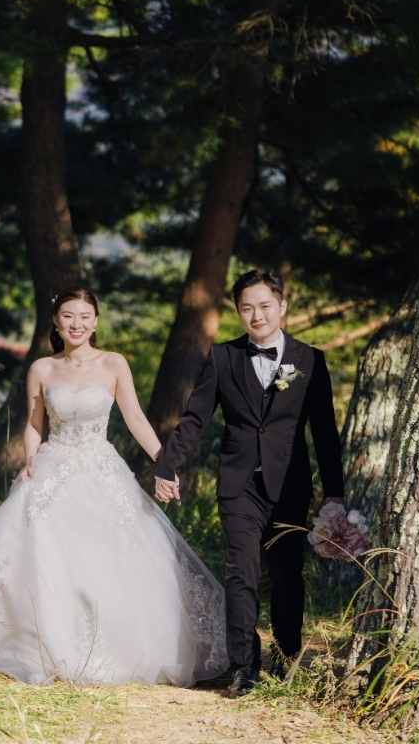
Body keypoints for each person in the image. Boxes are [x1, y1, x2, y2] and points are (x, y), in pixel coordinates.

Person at [0, 285, 228, 687]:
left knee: (112, 554)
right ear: (56, 321)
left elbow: (135, 418)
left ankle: (121, 647)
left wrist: (165, 463)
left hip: (101, 467)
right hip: (53, 466)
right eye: (69, 316)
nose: (77, 324)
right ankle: (41, 643)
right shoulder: (42, 368)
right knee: (41, 552)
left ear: (96, 321)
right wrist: (31, 461)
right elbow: (35, 424)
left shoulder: (114, 363)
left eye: (85, 317)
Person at [153, 269, 344, 696]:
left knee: (287, 574)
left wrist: (335, 494)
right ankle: (244, 666)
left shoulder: (309, 360)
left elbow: (326, 433)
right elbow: (195, 418)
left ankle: (289, 656)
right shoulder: (222, 358)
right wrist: (167, 465)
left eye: (264, 306)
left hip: (290, 486)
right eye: (246, 308)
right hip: (239, 486)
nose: (256, 315)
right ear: (238, 312)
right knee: (241, 574)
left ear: (282, 307)